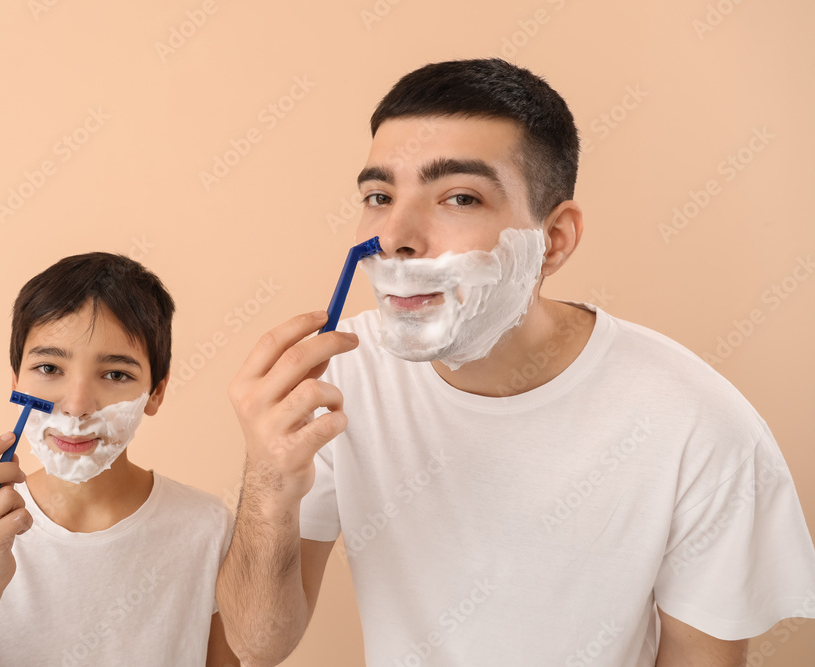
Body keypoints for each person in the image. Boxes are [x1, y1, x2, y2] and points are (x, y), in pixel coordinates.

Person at [216, 59, 815, 666]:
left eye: (459, 197)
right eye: (379, 196)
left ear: (553, 241)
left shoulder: (698, 423)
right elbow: (258, 645)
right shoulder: (336, 379)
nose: (395, 234)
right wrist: (267, 483)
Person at [0, 252, 239, 666]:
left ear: (155, 391)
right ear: (16, 381)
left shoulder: (208, 527)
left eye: (116, 375)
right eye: (49, 367)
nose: (77, 406)